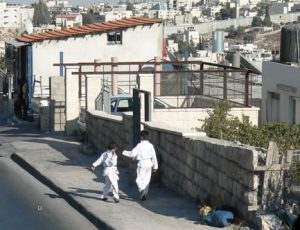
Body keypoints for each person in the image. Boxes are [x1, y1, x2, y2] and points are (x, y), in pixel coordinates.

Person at [122, 130, 158, 201]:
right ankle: (144, 195)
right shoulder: (150, 145)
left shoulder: (139, 145)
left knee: (139, 179)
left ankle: (141, 190)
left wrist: (124, 152)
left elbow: (132, 153)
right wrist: (155, 166)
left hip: (142, 163)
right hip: (149, 163)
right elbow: (154, 156)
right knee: (146, 180)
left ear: (141, 137)